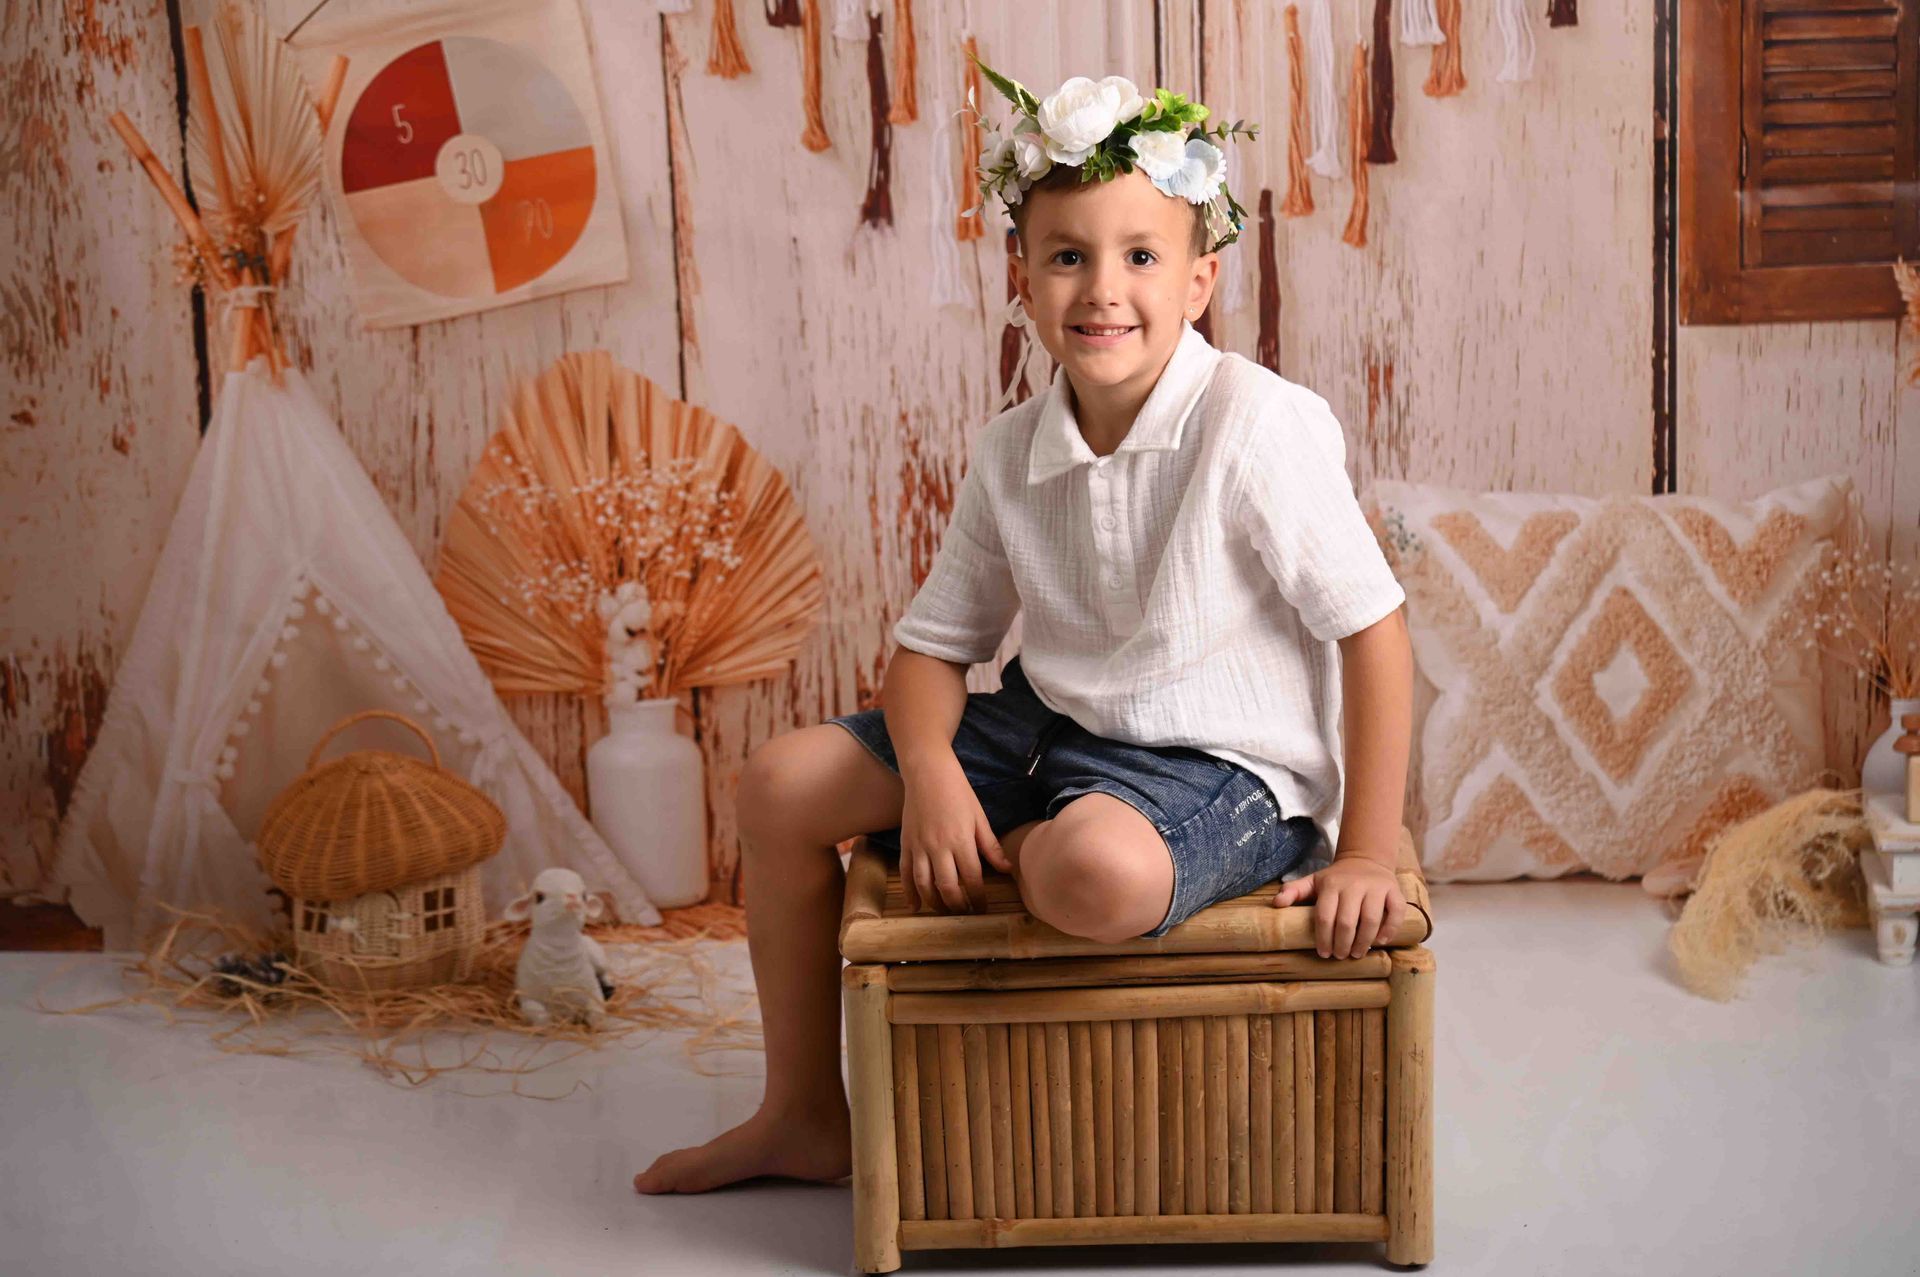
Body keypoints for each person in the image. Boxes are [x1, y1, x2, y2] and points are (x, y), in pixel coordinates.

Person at [635, 65, 1413, 1196]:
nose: (1104, 290)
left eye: (1141, 256)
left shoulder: (1255, 425)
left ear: (1199, 280)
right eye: (1067, 256)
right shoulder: (1012, 449)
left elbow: (1373, 631)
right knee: (778, 783)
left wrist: (1368, 851)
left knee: (1094, 870)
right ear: (1023, 277)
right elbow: (932, 648)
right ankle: (803, 1112)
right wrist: (934, 773)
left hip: (1217, 762)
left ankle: (1046, 849)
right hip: (1046, 729)